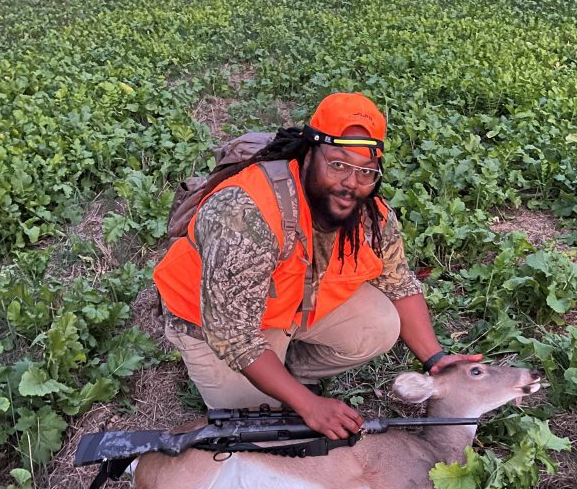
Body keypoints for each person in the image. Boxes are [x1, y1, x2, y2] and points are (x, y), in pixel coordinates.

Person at [153, 92, 481, 440]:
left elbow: (399, 284)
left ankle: (287, 372)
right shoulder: (247, 212)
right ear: (309, 155)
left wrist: (435, 359)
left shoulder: (372, 216)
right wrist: (309, 406)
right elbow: (235, 337)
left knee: (381, 324)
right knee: (257, 422)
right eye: (338, 164)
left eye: (365, 172)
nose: (350, 184)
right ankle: (272, 383)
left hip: (286, 309)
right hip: (211, 324)